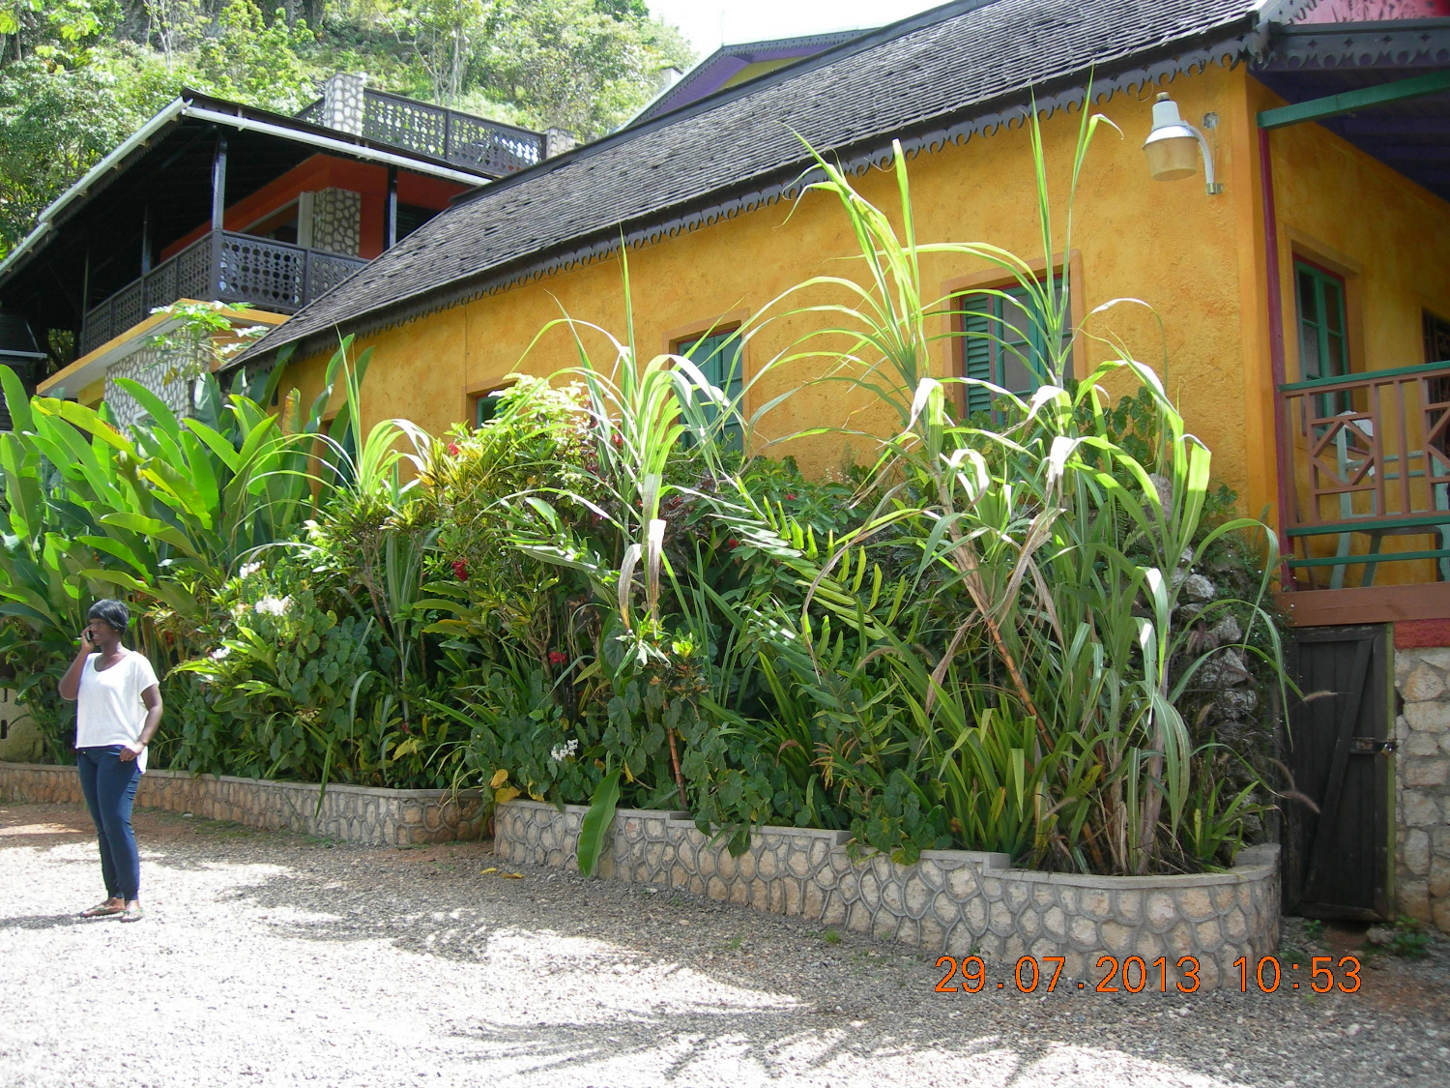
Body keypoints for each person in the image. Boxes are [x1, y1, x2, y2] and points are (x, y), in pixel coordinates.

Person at [58, 600, 163, 922]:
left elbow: (156, 705)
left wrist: (140, 742)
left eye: (99, 623)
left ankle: (132, 899)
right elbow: (66, 693)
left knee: (117, 824)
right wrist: (82, 652)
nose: (93, 628)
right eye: (91, 622)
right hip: (87, 751)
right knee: (103, 827)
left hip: (119, 752)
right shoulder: (88, 662)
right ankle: (113, 897)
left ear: (115, 627)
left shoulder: (136, 663)